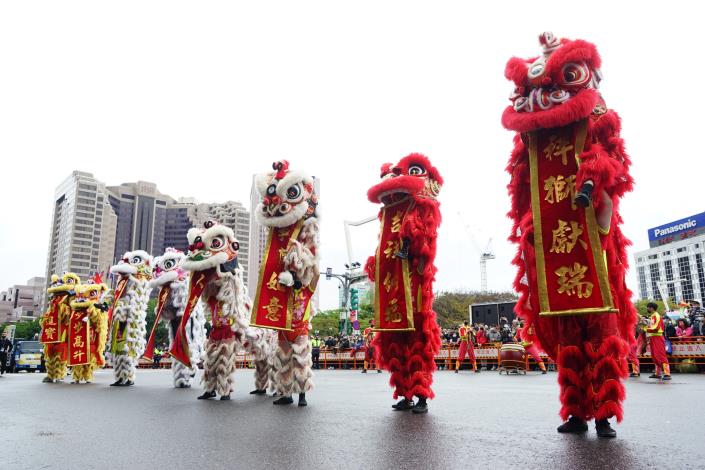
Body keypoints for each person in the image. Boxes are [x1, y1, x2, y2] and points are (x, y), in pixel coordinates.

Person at [504, 32, 636, 438]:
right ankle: (576, 411)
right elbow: (523, 190)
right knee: (567, 342)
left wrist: (595, 184)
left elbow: (610, 162)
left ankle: (604, 414)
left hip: (592, 239)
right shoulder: (531, 141)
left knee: (600, 333)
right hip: (555, 253)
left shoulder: (595, 118)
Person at [365, 154, 443, 414]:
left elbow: (426, 249)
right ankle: (405, 393)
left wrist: (412, 241)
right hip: (393, 295)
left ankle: (421, 395)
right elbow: (382, 254)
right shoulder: (388, 222)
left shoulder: (422, 213)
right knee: (395, 345)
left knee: (418, 342)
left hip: (415, 291)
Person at [645, 302, 671, 381]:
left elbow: (656, 328)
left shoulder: (657, 316)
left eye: (648, 307)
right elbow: (652, 327)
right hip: (653, 337)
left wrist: (645, 328)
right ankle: (657, 373)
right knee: (654, 356)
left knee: (661, 355)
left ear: (652, 308)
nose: (647, 309)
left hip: (658, 337)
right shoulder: (652, 316)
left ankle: (667, 373)